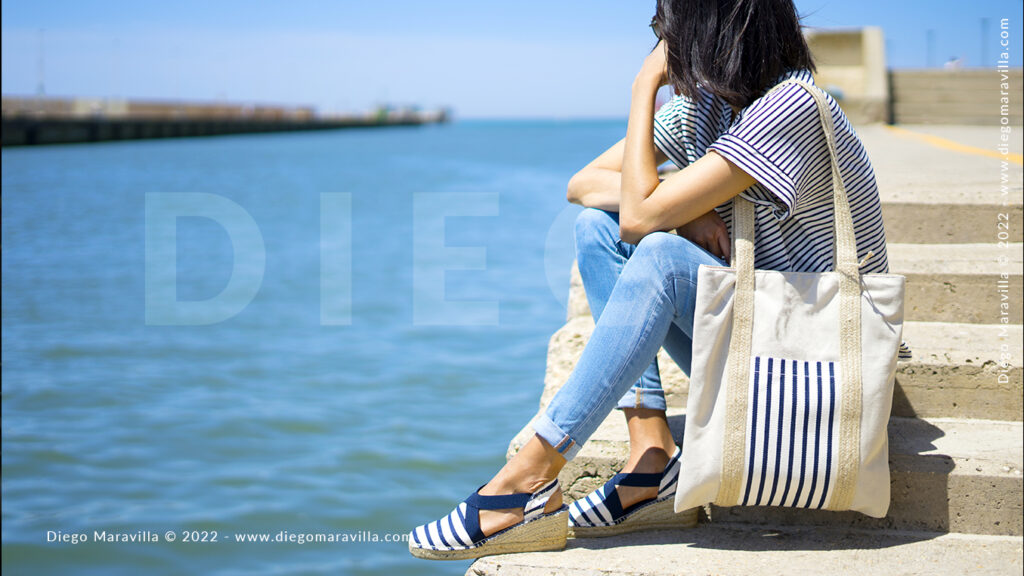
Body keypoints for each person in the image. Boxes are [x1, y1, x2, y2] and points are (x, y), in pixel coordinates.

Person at [408, 0, 892, 561]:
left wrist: (643, 88)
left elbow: (641, 217)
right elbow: (583, 184)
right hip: (764, 348)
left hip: (818, 361)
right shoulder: (705, 108)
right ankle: (651, 459)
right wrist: (686, 207)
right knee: (597, 228)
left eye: (665, 23)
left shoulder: (791, 108)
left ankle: (527, 479)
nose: (660, 38)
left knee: (658, 251)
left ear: (711, 28)